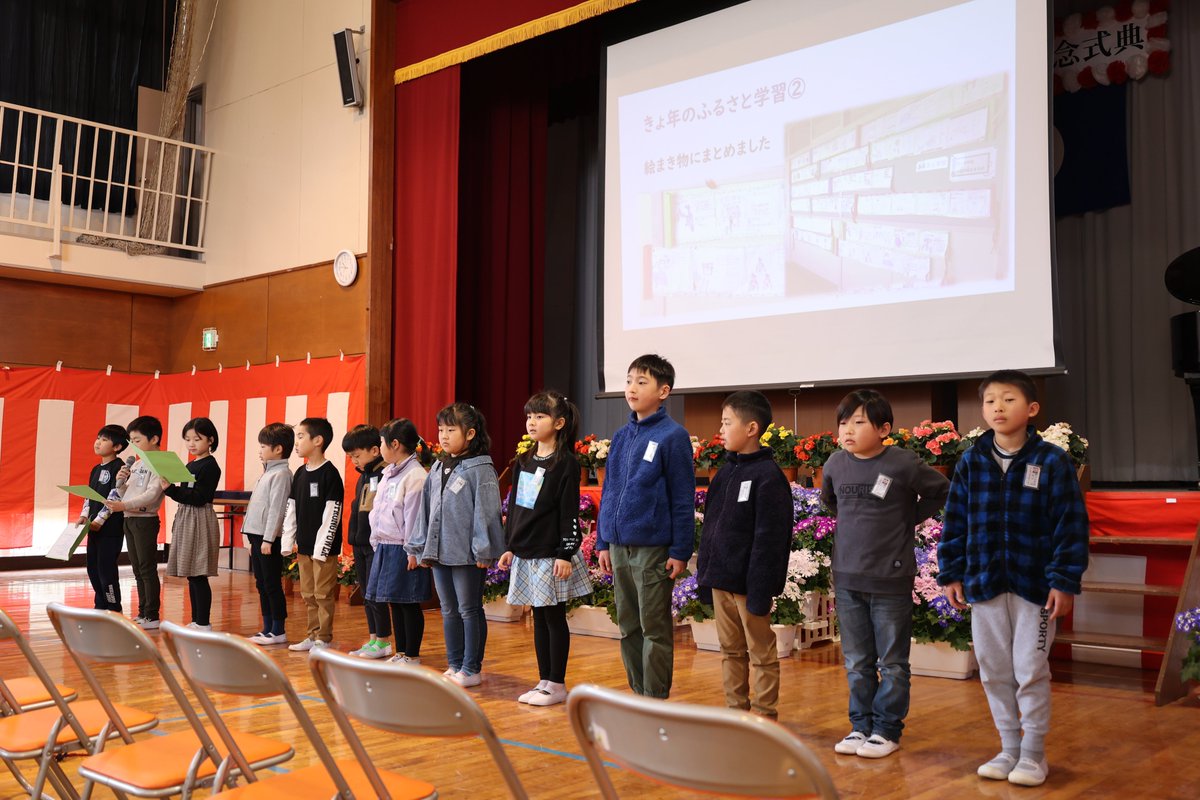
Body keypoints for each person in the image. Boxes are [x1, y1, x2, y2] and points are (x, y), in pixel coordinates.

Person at [939, 370, 1089, 787]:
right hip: (984, 583)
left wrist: (1064, 580)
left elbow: (1071, 525)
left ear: (1032, 408)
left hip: (1035, 588)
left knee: (1030, 668)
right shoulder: (971, 461)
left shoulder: (1052, 461)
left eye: (1008, 399)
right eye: (990, 401)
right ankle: (1008, 748)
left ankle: (1034, 754)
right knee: (993, 670)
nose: (998, 408)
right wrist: (951, 572)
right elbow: (955, 521)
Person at [821, 389, 949, 758]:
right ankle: (860, 727)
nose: (848, 430)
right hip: (847, 577)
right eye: (843, 423)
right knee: (856, 662)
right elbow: (830, 501)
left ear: (883, 429)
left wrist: (907, 519)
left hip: (890, 579)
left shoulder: (902, 463)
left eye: (858, 422)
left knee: (892, 662)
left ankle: (887, 730)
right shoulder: (835, 464)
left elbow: (941, 490)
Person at [596, 354, 695, 698]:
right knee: (628, 625)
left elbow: (682, 497)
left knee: (654, 627)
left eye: (642, 382)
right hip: (618, 547)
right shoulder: (622, 436)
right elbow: (609, 491)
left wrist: (680, 550)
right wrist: (602, 542)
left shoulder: (673, 436)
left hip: (653, 549)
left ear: (663, 391)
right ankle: (638, 694)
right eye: (629, 381)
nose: (632, 388)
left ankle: (655, 698)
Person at [695, 390, 792, 718]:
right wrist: (705, 575)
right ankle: (736, 712)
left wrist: (761, 589)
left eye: (727, 423)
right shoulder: (724, 473)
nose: (720, 430)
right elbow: (710, 529)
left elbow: (771, 541)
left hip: (750, 585)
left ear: (751, 428)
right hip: (721, 580)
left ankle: (764, 715)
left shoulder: (769, 477)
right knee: (730, 651)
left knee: (760, 652)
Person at [498, 391, 592, 707]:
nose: (532, 422)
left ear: (559, 423)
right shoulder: (524, 461)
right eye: (530, 416)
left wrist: (565, 553)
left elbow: (569, 512)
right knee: (538, 617)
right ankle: (544, 681)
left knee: (553, 617)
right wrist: (510, 545)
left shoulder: (565, 463)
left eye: (540, 416)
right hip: (527, 551)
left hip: (551, 554)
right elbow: (516, 507)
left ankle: (557, 683)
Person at [406, 403, 505, 687]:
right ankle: (454, 664)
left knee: (469, 609)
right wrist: (419, 546)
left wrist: (484, 549)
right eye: (441, 429)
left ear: (470, 434)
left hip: (467, 554)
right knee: (448, 609)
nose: (444, 435)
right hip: (440, 551)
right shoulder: (438, 465)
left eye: (451, 430)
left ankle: (471, 668)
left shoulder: (481, 468)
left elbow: (487, 511)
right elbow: (425, 508)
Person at [366, 418, 431, 664]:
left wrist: (413, 551)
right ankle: (401, 652)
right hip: (386, 545)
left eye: (382, 443)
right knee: (394, 600)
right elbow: (378, 510)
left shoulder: (415, 475)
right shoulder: (389, 473)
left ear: (395, 444)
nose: (380, 448)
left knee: (408, 602)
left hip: (404, 548)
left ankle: (412, 654)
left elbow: (414, 518)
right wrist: (376, 540)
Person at [283, 417, 344, 652]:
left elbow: (332, 514)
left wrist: (322, 547)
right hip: (304, 546)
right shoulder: (300, 473)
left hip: (324, 549)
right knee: (308, 593)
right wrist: (288, 541)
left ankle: (324, 637)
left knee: (323, 593)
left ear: (318, 440)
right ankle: (312, 634)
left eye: (300, 436)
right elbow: (291, 508)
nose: (296, 442)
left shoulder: (330, 474)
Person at [105, 415, 166, 629]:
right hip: (129, 518)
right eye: (131, 441)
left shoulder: (161, 463)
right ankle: (142, 612)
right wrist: (120, 482)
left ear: (154, 439)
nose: (134, 445)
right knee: (138, 569)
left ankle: (152, 614)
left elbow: (151, 495)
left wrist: (124, 505)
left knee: (147, 568)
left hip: (145, 520)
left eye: (137, 440)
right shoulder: (138, 463)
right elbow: (126, 492)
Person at [162, 417, 222, 630]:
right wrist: (171, 488)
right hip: (187, 515)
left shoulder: (210, 466)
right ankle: (197, 620)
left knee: (198, 573)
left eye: (197, 439)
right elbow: (186, 493)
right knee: (191, 574)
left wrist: (170, 489)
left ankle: (203, 622)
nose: (191, 444)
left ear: (210, 440)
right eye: (187, 439)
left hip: (199, 517)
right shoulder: (190, 465)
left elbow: (199, 497)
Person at [242, 422, 294, 645]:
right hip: (257, 536)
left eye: (263, 446)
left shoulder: (281, 474)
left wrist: (268, 539)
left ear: (278, 449)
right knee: (261, 583)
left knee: (272, 583)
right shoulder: (267, 472)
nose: (260, 450)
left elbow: (277, 509)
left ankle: (278, 630)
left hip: (268, 538)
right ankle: (267, 628)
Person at [341, 424, 391, 659]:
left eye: (356, 455)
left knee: (375, 594)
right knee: (366, 594)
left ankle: (383, 640)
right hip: (359, 543)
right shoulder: (364, 477)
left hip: (375, 545)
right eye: (351, 457)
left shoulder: (384, 474)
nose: (354, 461)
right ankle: (373, 638)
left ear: (374, 450)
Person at [78, 424, 128, 612]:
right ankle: (101, 605)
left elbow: (116, 495)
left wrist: (100, 520)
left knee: (106, 571)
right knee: (93, 569)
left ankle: (114, 608)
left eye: (104, 439)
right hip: (93, 528)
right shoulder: (95, 469)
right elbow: (89, 496)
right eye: (98, 438)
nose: (98, 442)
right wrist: (84, 516)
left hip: (110, 529)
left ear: (117, 447)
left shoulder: (120, 467)